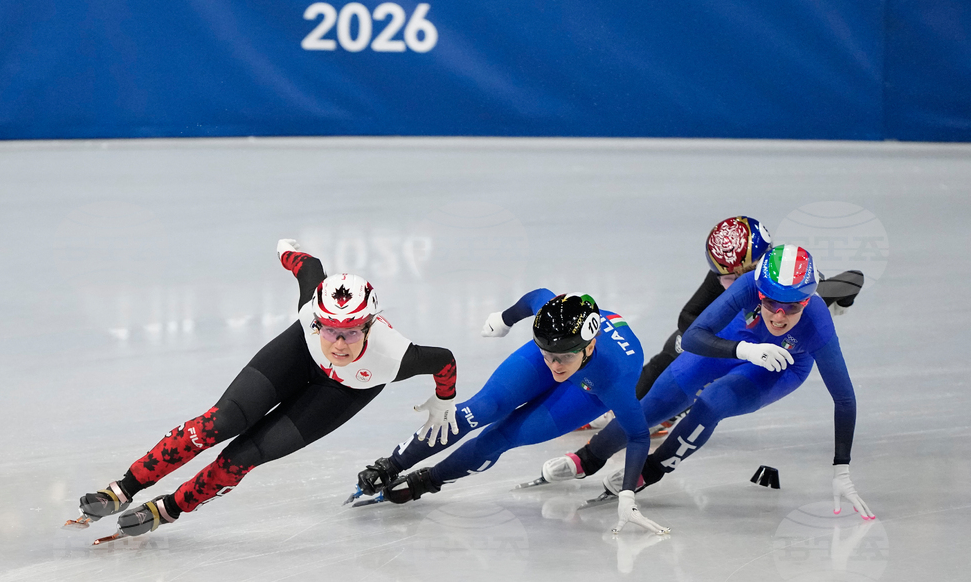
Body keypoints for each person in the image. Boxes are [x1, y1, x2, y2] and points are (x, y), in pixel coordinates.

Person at [65, 240, 460, 541]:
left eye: (352, 332)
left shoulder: (396, 357)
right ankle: (123, 488)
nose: (339, 343)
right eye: (330, 330)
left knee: (244, 455)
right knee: (216, 424)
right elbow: (309, 265)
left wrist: (445, 399)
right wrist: (286, 249)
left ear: (371, 327)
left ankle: (169, 508)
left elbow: (443, 360)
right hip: (297, 356)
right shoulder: (310, 311)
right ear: (317, 320)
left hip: (345, 392)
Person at [352, 291, 670, 535]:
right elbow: (537, 296)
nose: (553, 365)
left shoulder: (616, 381)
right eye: (547, 355)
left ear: (588, 347)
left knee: (501, 438)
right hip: (569, 348)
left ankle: (428, 481)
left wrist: (628, 493)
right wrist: (505, 319)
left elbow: (639, 436)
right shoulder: (554, 324)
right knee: (480, 409)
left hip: (589, 388)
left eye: (561, 359)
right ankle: (391, 465)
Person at [595, 244, 874, 520]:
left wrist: (842, 470)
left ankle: (651, 470)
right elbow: (691, 335)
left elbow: (845, 398)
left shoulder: (817, 321)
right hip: (742, 337)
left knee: (712, 403)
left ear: (807, 299)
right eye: (770, 302)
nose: (779, 315)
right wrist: (744, 349)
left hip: (785, 362)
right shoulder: (748, 284)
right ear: (759, 290)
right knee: (658, 399)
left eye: (791, 307)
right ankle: (587, 457)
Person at [542, 215, 772, 482]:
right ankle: (628, 405)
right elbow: (688, 316)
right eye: (725, 276)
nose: (733, 283)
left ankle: (674, 409)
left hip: (759, 349)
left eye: (738, 277)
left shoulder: (783, 283)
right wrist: (708, 340)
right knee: (673, 349)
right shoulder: (726, 271)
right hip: (723, 335)